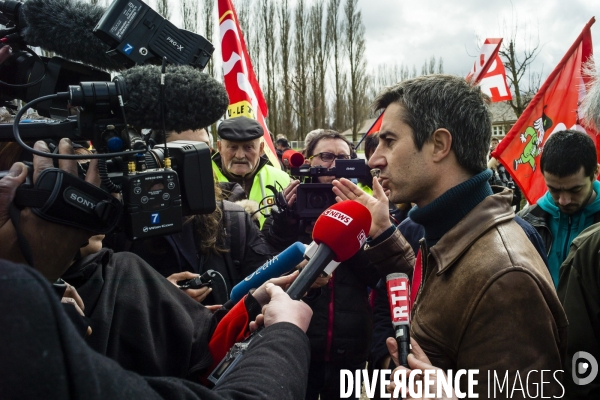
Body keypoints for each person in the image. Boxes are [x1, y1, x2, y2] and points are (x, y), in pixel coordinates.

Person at [0, 138, 313, 399]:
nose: (102, 199)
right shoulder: (23, 322)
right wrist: (284, 334)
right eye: (76, 188)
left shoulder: (121, 270)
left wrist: (250, 305)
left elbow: (205, 344)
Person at [332, 74, 566, 397]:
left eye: (390, 141)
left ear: (440, 145)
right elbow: (451, 290)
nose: (374, 159)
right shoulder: (454, 234)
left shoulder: (507, 276)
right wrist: (385, 236)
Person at [263, 130, 399, 400]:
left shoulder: (365, 211)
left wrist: (358, 232)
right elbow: (265, 269)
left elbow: (380, 278)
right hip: (298, 344)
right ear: (309, 161)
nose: (333, 164)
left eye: (342, 157)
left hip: (350, 347)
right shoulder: (290, 211)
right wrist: (285, 222)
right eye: (325, 156)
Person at [518, 129, 600, 287]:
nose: (563, 200)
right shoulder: (526, 221)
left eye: (575, 190)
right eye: (554, 189)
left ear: (595, 172)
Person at [212, 117, 291, 227]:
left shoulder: (283, 180)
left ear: (261, 149)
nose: (240, 155)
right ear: (220, 147)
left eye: (248, 147)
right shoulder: (203, 179)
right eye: (232, 147)